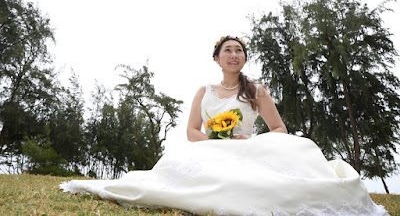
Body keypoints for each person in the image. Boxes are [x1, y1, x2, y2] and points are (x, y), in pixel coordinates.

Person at [60, 36, 388, 216]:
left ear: (244, 58)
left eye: (239, 50)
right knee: (177, 163)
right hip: (211, 148)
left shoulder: (256, 90)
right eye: (227, 51)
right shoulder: (203, 91)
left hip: (247, 148)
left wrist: (246, 143)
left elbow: (279, 130)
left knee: (299, 147)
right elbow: (191, 130)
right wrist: (212, 142)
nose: (234, 55)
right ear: (216, 58)